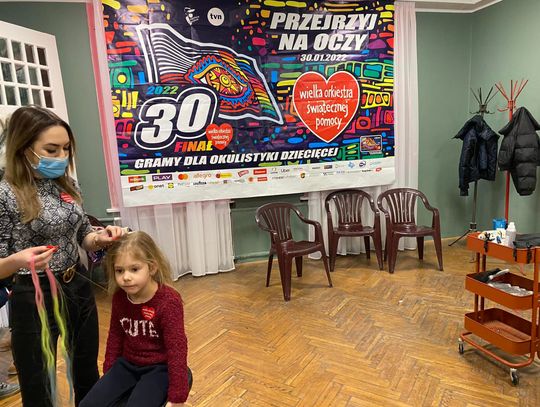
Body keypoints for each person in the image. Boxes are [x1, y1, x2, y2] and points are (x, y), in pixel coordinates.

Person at [0, 105, 126, 407]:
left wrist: (101, 238)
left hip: (77, 285)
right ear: (24, 147)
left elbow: (84, 235)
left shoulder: (67, 185)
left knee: (86, 368)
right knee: (37, 378)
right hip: (33, 295)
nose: (61, 157)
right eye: (51, 149)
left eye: (66, 149)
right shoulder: (5, 194)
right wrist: (19, 261)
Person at [80, 231, 189, 407]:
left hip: (159, 368)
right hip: (127, 364)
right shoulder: (120, 298)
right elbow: (115, 336)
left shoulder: (169, 301)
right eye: (119, 270)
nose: (126, 277)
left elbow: (177, 348)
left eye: (134, 269)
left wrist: (178, 397)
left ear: (151, 268)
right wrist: (109, 374)